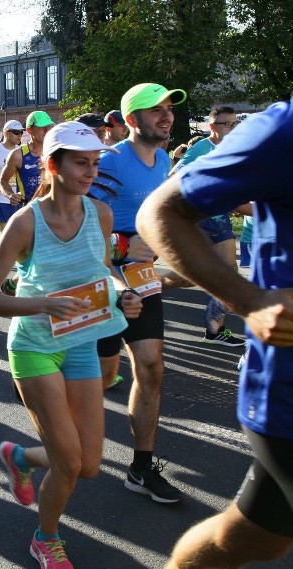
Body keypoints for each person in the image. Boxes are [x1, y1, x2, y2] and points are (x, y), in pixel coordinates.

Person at [0, 122, 141, 569]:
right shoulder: (24, 222)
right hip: (33, 348)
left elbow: (100, 273)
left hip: (82, 342)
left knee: (88, 465)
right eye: (80, 163)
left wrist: (121, 295)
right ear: (53, 165)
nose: (90, 171)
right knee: (68, 463)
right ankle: (45, 538)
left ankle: (22, 458)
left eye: (94, 163)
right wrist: (43, 304)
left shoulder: (101, 214)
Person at [136, 98, 293, 569]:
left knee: (253, 539)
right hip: (289, 393)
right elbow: (158, 213)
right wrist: (250, 302)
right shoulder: (281, 130)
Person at [89, 82, 188, 503]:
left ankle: (141, 468)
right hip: (102, 281)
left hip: (142, 280)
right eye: (155, 110)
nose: (166, 116)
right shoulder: (110, 162)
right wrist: (125, 247)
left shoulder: (163, 157)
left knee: (151, 368)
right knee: (104, 375)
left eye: (168, 108)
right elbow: (80, 224)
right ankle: (52, 426)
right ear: (132, 120)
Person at [172, 106, 246, 347]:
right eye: (228, 124)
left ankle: (215, 329)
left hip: (219, 215)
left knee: (226, 271)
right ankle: (141, 293)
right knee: (194, 274)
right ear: (212, 127)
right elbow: (174, 177)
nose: (233, 128)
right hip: (201, 216)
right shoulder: (202, 148)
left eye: (235, 123)